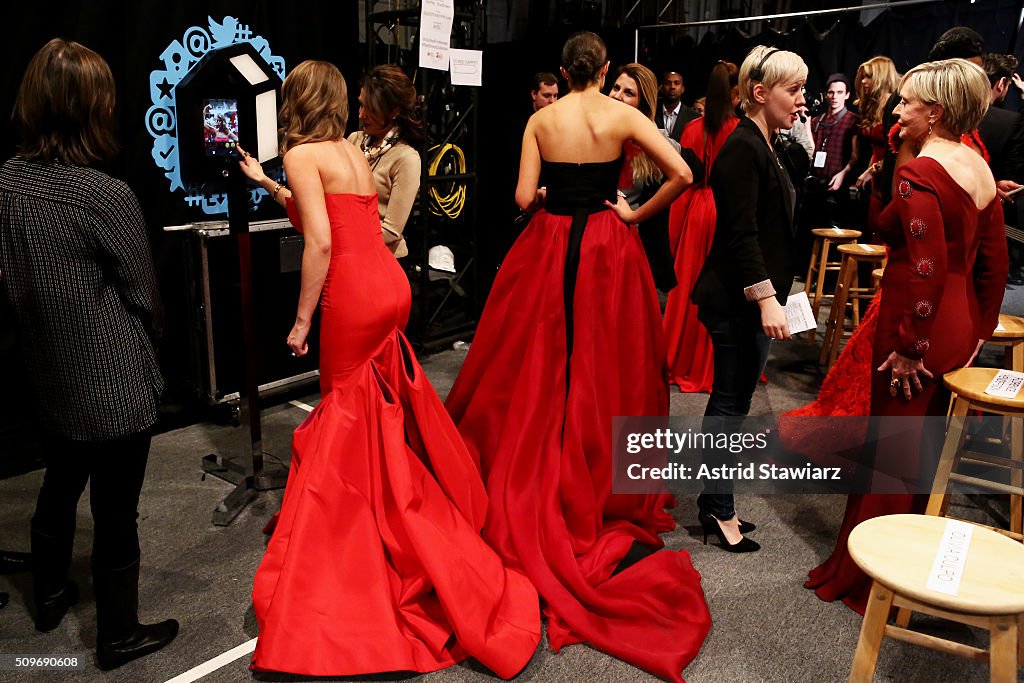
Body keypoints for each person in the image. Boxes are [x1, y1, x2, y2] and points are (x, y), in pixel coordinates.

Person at [246, 61, 539, 677]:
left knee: (342, 422)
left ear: (295, 101)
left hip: (351, 293)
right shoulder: (351, 153)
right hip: (389, 285)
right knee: (371, 424)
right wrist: (269, 185)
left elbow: (321, 241)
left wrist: (302, 322)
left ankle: (349, 547)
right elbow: (337, 218)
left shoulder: (306, 155)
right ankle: (390, 525)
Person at [445, 32, 711, 683]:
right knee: (603, 365)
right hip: (603, 248)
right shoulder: (623, 114)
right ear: (609, 71)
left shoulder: (542, 116)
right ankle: (591, 476)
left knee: (532, 366)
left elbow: (518, 198)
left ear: (563, 72)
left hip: (547, 244)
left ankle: (540, 469)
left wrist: (544, 200)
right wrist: (635, 214)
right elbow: (682, 173)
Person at [806, 58, 1008, 614]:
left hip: (914, 325)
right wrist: (977, 332)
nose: (897, 109)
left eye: (907, 102)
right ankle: (906, 564)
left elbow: (924, 269)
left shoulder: (924, 172)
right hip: (958, 321)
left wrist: (908, 346)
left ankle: (876, 577)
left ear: (935, 112)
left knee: (893, 453)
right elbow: (992, 263)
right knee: (917, 454)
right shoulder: (974, 164)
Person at [0, 38, 177, 669]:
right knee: (115, 509)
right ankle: (117, 635)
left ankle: (48, 594)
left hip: (48, 373)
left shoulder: (8, 183)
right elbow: (144, 296)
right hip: (111, 378)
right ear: (92, 109)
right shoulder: (104, 195)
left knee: (60, 480)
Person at [690, 45, 808, 552]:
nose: (801, 99)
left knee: (732, 401)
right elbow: (741, 235)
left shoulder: (766, 142)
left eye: (803, 88)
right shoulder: (744, 146)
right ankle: (718, 509)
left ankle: (715, 501)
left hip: (749, 297)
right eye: (794, 89)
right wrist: (765, 299)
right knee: (730, 402)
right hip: (738, 299)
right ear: (759, 94)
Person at [664, 61, 740, 393]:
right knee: (719, 289)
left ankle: (677, 356)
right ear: (735, 93)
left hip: (696, 210)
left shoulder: (692, 129)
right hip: (725, 210)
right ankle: (712, 362)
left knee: (689, 285)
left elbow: (683, 181)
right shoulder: (740, 130)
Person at [609, 62, 682, 291]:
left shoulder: (653, 142)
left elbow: (685, 174)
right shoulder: (596, 132)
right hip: (598, 241)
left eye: (628, 92)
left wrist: (635, 216)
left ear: (643, 103)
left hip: (633, 248)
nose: (617, 96)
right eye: (615, 88)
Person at [656, 69, 700, 140]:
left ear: (683, 89)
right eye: (668, 83)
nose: (672, 87)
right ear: (662, 88)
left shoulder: (694, 117)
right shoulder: (651, 112)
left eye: (676, 83)